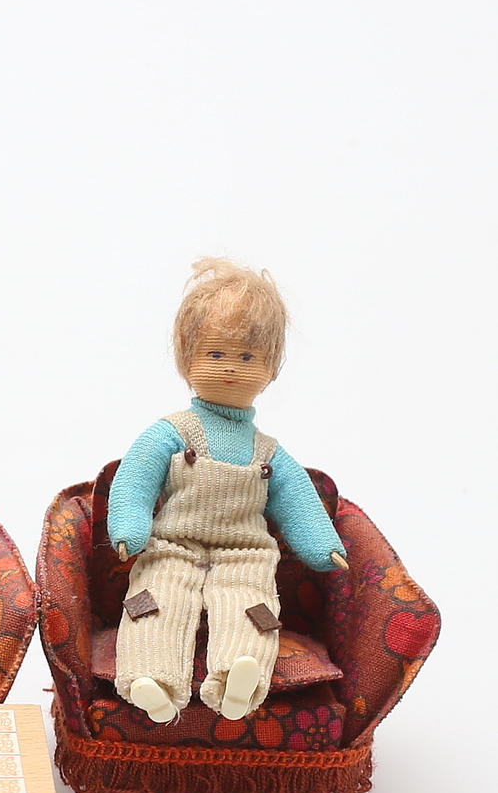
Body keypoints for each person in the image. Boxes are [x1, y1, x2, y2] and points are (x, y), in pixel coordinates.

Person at [108, 258, 347, 723]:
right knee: (155, 599)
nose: (232, 369)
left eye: (247, 358)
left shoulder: (268, 451)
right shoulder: (172, 432)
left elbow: (296, 497)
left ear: (271, 369)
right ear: (188, 360)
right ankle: (149, 678)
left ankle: (240, 675)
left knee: (251, 604)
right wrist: (129, 527)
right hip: (172, 545)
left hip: (246, 552)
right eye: (216, 355)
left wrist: (322, 544)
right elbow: (136, 477)